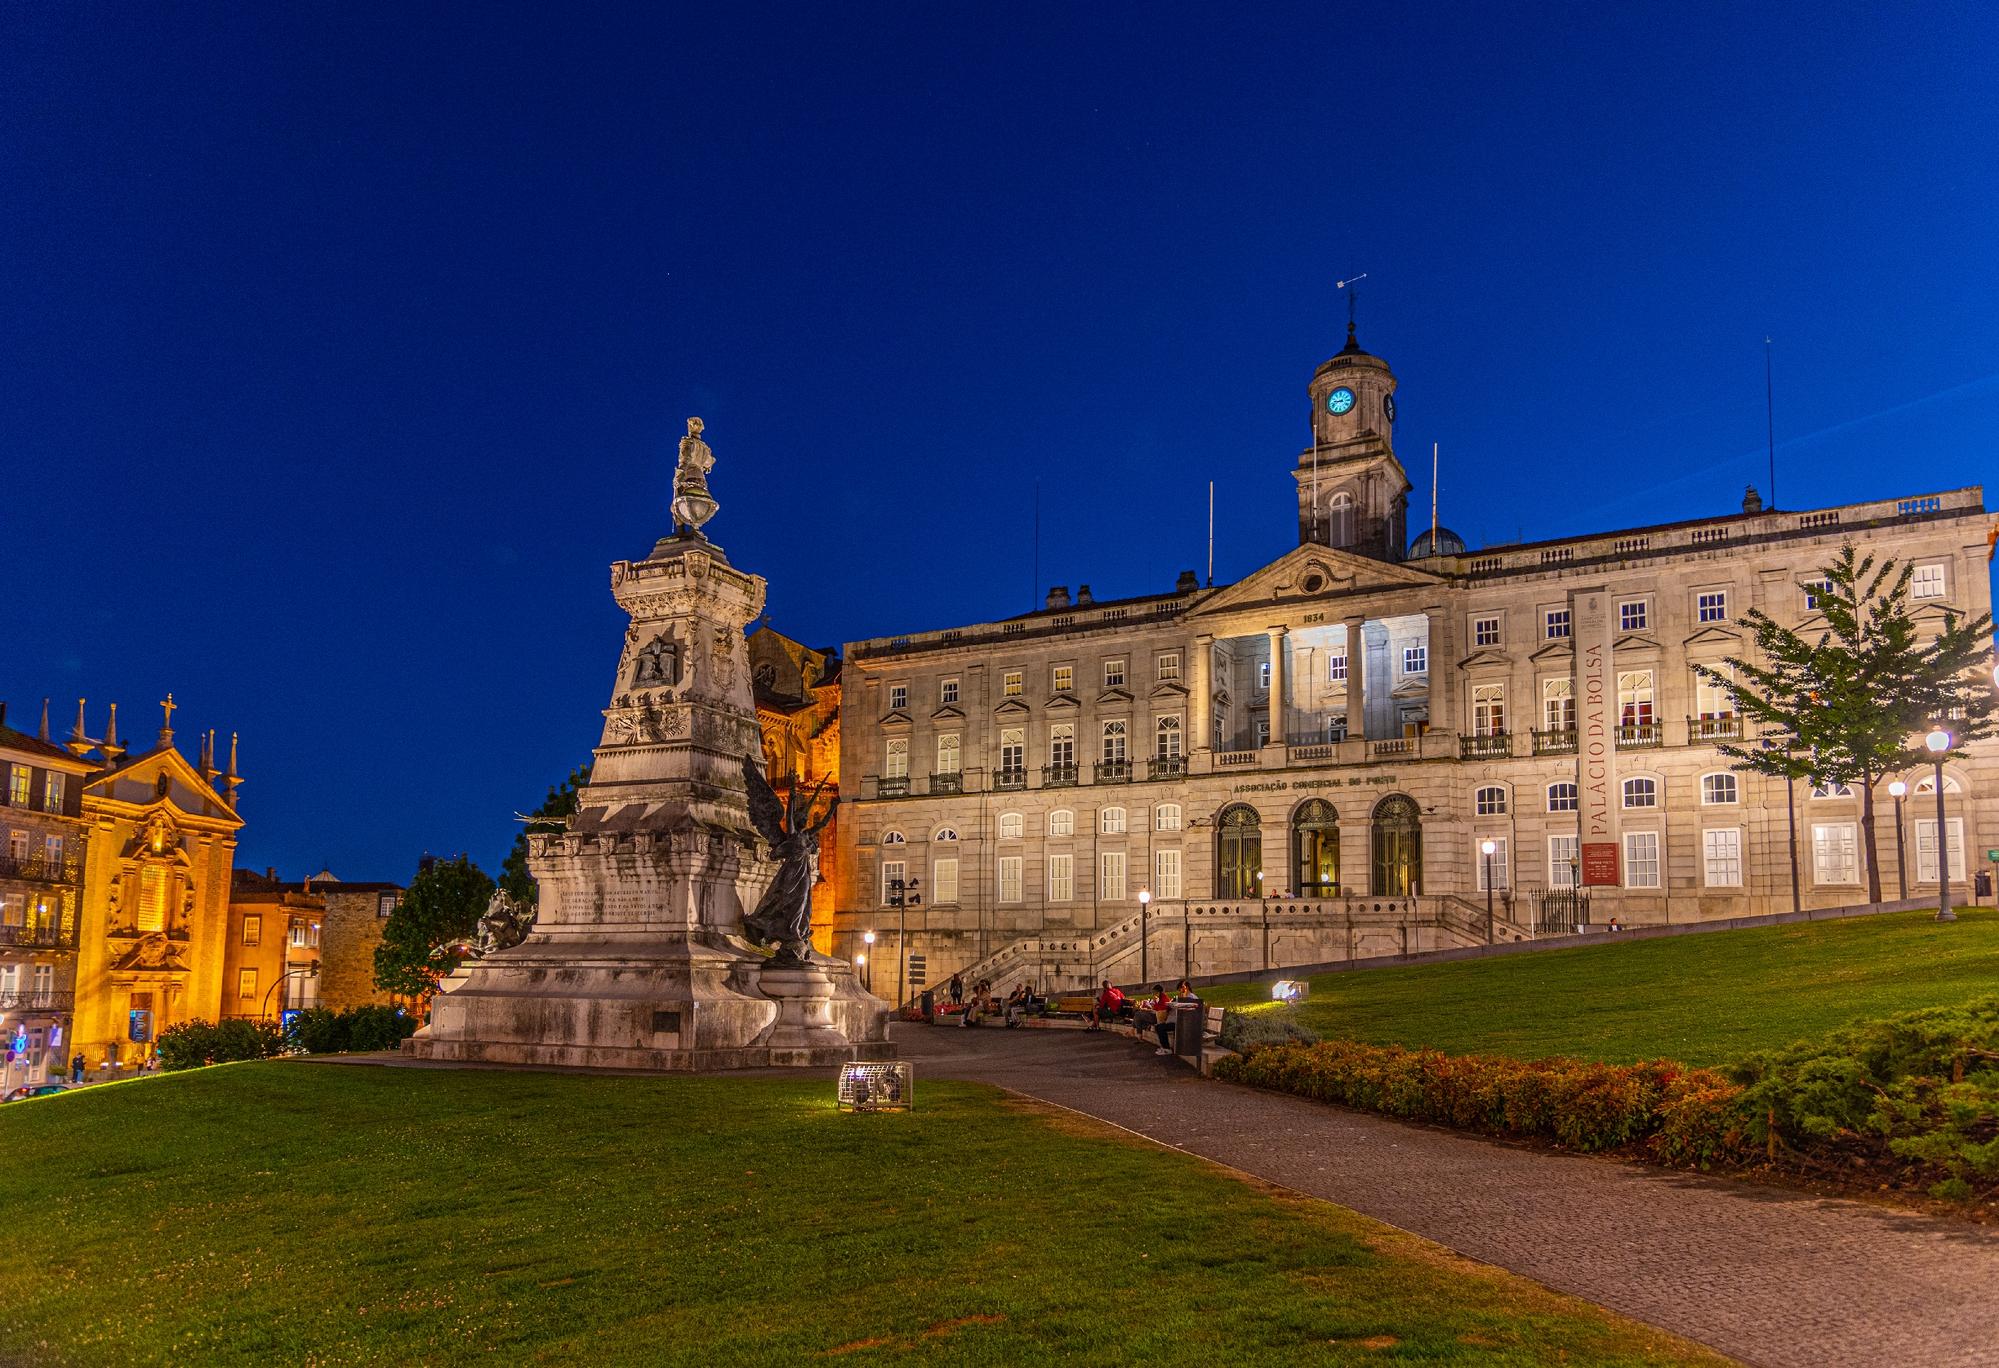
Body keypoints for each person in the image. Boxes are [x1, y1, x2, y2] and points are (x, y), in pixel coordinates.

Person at [1146, 985, 1174, 1054]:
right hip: (1162, 1017)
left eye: (1154, 992)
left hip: (1164, 1018)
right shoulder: (1160, 998)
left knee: (1159, 1027)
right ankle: (1164, 1047)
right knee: (1158, 1027)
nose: (1153, 994)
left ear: (1158, 992)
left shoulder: (1164, 998)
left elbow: (1161, 1009)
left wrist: (1154, 1003)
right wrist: (1155, 1002)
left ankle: (1167, 1048)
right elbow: (1156, 1008)